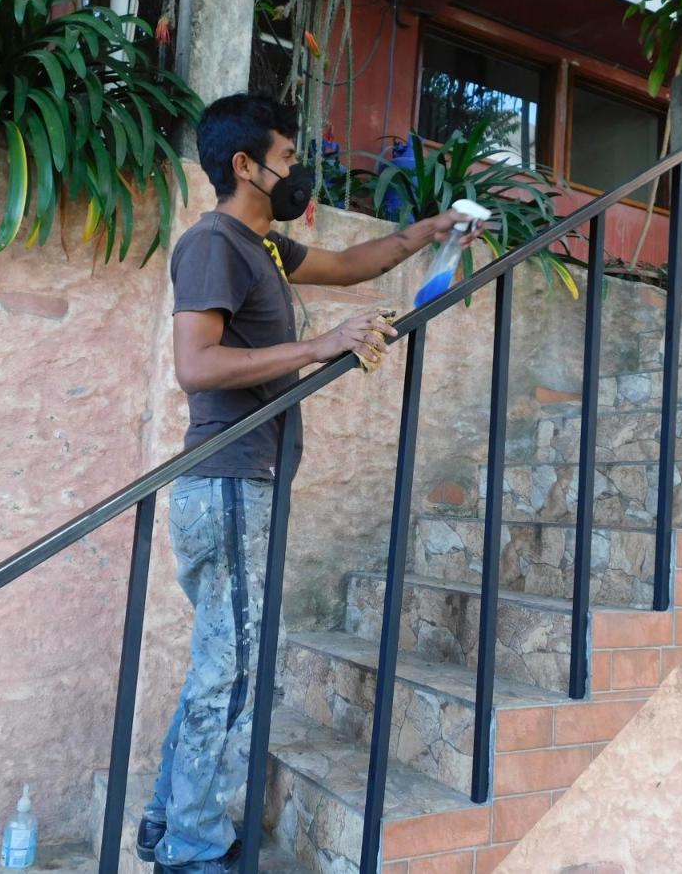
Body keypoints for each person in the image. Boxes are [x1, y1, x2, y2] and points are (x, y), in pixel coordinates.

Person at [139, 93, 483, 874]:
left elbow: (348, 265)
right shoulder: (214, 242)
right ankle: (191, 851)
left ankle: (168, 823)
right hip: (229, 479)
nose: (298, 173)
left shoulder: (262, 247)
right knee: (232, 669)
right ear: (244, 166)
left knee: (220, 667)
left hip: (243, 484)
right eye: (288, 160)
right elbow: (197, 366)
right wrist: (322, 345)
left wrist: (430, 233)